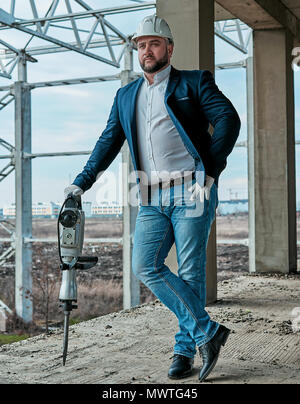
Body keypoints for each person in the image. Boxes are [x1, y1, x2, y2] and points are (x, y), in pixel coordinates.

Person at [64, 15, 241, 382]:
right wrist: (81, 182)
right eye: (141, 45)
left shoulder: (193, 82)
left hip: (191, 187)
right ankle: (208, 332)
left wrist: (210, 169)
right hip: (149, 193)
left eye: (155, 43)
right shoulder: (126, 94)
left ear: (169, 48)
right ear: (136, 50)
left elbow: (228, 119)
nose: (147, 50)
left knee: (190, 271)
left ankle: (183, 350)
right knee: (145, 264)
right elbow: (108, 142)